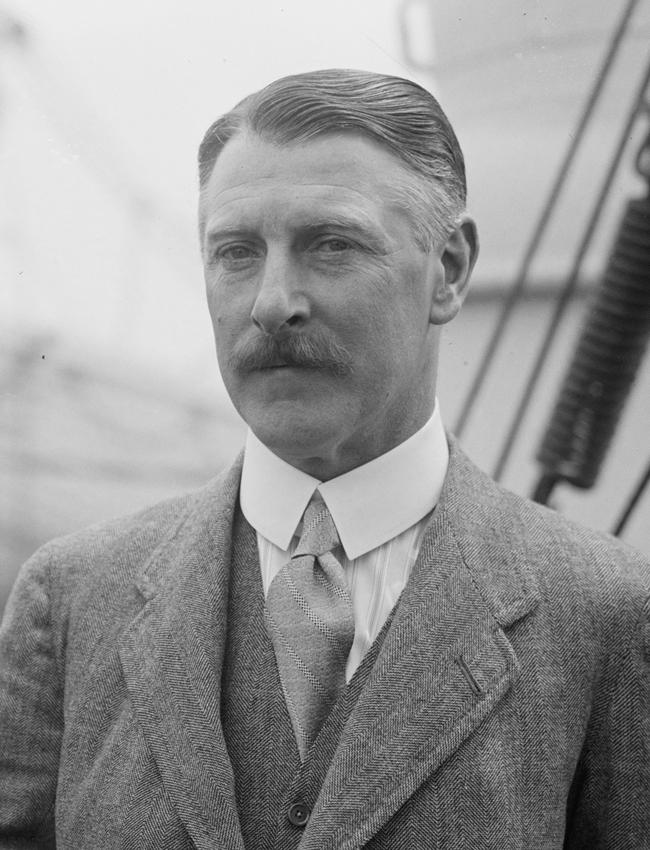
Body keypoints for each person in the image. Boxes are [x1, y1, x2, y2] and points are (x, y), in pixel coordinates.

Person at [0, 69, 648, 849]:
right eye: (237, 252)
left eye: (331, 244)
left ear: (449, 270)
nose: (273, 301)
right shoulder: (72, 600)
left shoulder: (607, 615)